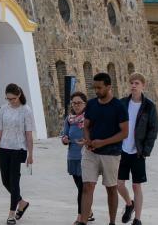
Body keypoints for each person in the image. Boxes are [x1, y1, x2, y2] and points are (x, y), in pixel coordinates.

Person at [76, 73, 128, 225]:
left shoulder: (119, 107)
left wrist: (103, 142)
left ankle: (112, 222)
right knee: (87, 186)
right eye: (95, 87)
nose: (96, 91)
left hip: (111, 154)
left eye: (99, 87)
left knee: (111, 188)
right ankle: (83, 222)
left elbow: (125, 132)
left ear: (108, 87)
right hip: (90, 152)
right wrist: (88, 140)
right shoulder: (91, 104)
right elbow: (86, 126)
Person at [114, 73, 158, 225]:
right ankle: (129, 204)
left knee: (136, 185)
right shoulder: (122, 103)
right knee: (119, 184)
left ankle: (137, 219)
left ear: (143, 86)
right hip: (122, 150)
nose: (133, 85)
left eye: (137, 83)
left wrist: (146, 150)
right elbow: (114, 125)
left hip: (138, 152)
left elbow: (153, 130)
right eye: (132, 82)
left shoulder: (149, 106)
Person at [0, 83, 36, 224]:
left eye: (13, 99)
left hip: (19, 149)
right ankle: (22, 202)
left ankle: (11, 214)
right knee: (5, 181)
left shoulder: (26, 110)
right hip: (4, 148)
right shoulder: (4, 109)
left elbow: (29, 134)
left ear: (19, 95)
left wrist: (30, 154)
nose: (11, 101)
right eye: (8, 99)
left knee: (14, 181)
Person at [61, 91, 91, 222]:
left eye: (79, 103)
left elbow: (94, 134)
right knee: (80, 187)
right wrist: (65, 138)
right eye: (74, 103)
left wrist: (87, 141)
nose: (76, 105)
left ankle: (80, 216)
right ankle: (88, 211)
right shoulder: (69, 119)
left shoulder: (89, 118)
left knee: (82, 188)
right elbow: (64, 135)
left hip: (85, 157)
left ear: (85, 104)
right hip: (72, 157)